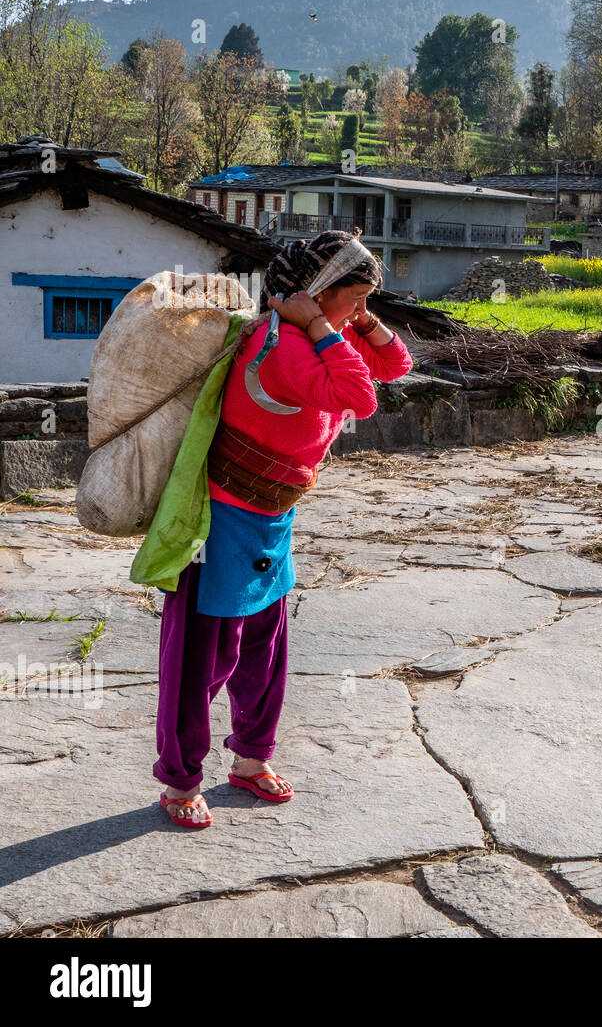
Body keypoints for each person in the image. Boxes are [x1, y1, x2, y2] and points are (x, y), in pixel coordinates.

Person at [154, 230, 413, 827]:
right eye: (351, 298)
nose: (357, 313)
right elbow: (361, 398)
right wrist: (322, 328)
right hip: (222, 521)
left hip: (273, 516)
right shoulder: (283, 347)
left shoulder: (322, 334)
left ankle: (250, 759)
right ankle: (179, 780)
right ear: (315, 295)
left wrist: (356, 318)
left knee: (266, 650)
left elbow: (394, 367)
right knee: (200, 659)